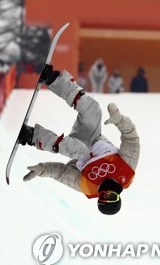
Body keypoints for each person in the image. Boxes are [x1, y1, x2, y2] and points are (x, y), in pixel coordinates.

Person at [17, 65, 140, 215]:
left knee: (79, 150)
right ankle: (54, 80)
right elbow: (131, 139)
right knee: (92, 109)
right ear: (118, 196)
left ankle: (32, 136)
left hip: (78, 156)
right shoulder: (126, 171)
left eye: (102, 196)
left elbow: (62, 173)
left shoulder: (88, 186)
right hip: (94, 137)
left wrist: (43, 169)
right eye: (111, 196)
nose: (106, 192)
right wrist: (120, 120)